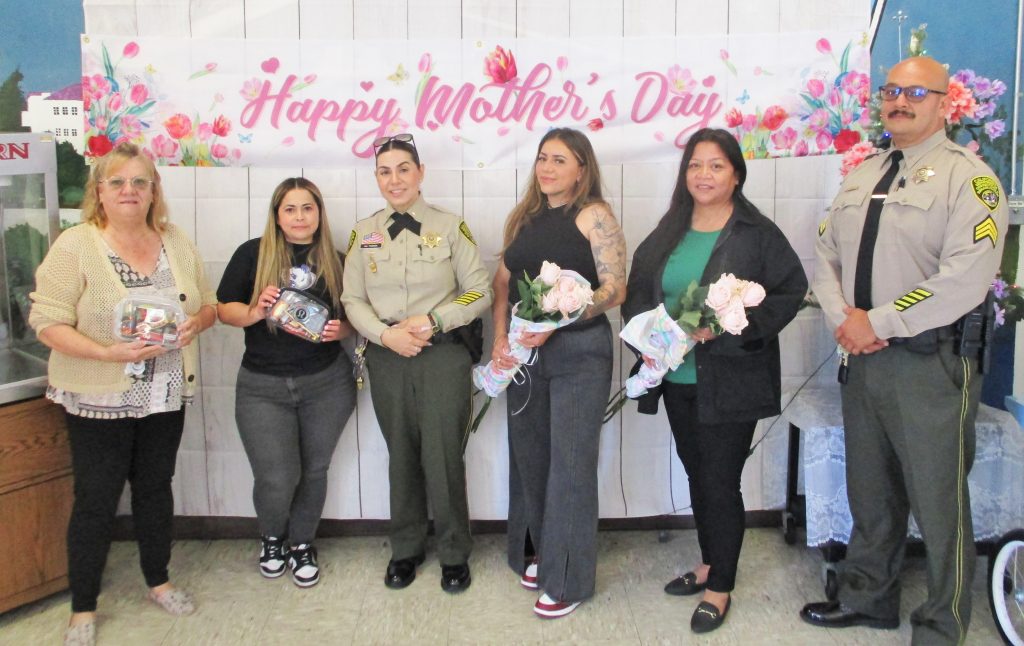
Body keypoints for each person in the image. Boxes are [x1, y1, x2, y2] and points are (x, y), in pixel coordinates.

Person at [800, 56, 1008, 645]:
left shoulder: (970, 180)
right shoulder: (863, 174)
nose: (899, 101)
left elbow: (964, 278)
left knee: (939, 502)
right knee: (871, 490)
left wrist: (879, 321)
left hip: (929, 363)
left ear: (945, 103)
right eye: (891, 91)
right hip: (864, 358)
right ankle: (869, 597)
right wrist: (847, 321)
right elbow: (825, 256)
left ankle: (943, 622)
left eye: (916, 92)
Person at [29, 142, 217, 646]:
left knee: (155, 488)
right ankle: (83, 608)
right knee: (96, 498)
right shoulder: (77, 245)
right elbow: (46, 320)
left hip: (165, 391)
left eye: (139, 181)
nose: (129, 190)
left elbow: (208, 304)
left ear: (154, 190)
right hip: (99, 395)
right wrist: (105, 353)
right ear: (99, 192)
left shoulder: (174, 240)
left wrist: (195, 324)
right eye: (117, 182)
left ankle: (159, 580)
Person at [622, 128, 806, 633]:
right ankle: (710, 562)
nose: (703, 175)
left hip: (732, 378)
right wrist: (649, 342)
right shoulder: (670, 230)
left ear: (737, 175)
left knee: (720, 481)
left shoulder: (756, 232)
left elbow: (790, 291)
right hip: (677, 377)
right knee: (697, 472)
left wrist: (733, 328)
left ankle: (720, 586)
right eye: (695, 165)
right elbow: (638, 294)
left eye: (716, 165)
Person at [341, 133, 492, 593]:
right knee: (401, 454)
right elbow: (352, 298)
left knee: (443, 455)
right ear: (376, 178)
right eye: (385, 171)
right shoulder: (364, 232)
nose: (395, 179)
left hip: (441, 354)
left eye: (404, 169)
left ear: (420, 172)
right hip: (387, 355)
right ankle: (405, 548)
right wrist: (385, 334)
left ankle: (453, 552)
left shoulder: (450, 226)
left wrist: (433, 320)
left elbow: (480, 291)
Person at [490, 128, 627, 618]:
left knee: (570, 465)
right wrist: (500, 337)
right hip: (525, 353)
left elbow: (615, 289)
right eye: (543, 158)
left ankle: (567, 582)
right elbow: (502, 283)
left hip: (579, 353)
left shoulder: (595, 215)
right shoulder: (523, 218)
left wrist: (558, 319)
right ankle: (540, 554)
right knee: (530, 457)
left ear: (581, 169)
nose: (547, 168)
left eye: (560, 160)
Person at [217, 177, 356, 589]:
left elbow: (358, 316)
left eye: (307, 208)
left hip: (326, 384)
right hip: (262, 386)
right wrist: (255, 312)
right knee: (276, 476)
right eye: (290, 209)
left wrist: (343, 330)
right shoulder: (252, 253)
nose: (299, 217)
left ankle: (302, 543)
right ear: (277, 216)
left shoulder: (338, 260)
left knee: (314, 470)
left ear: (319, 213)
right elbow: (223, 310)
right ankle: (272, 538)